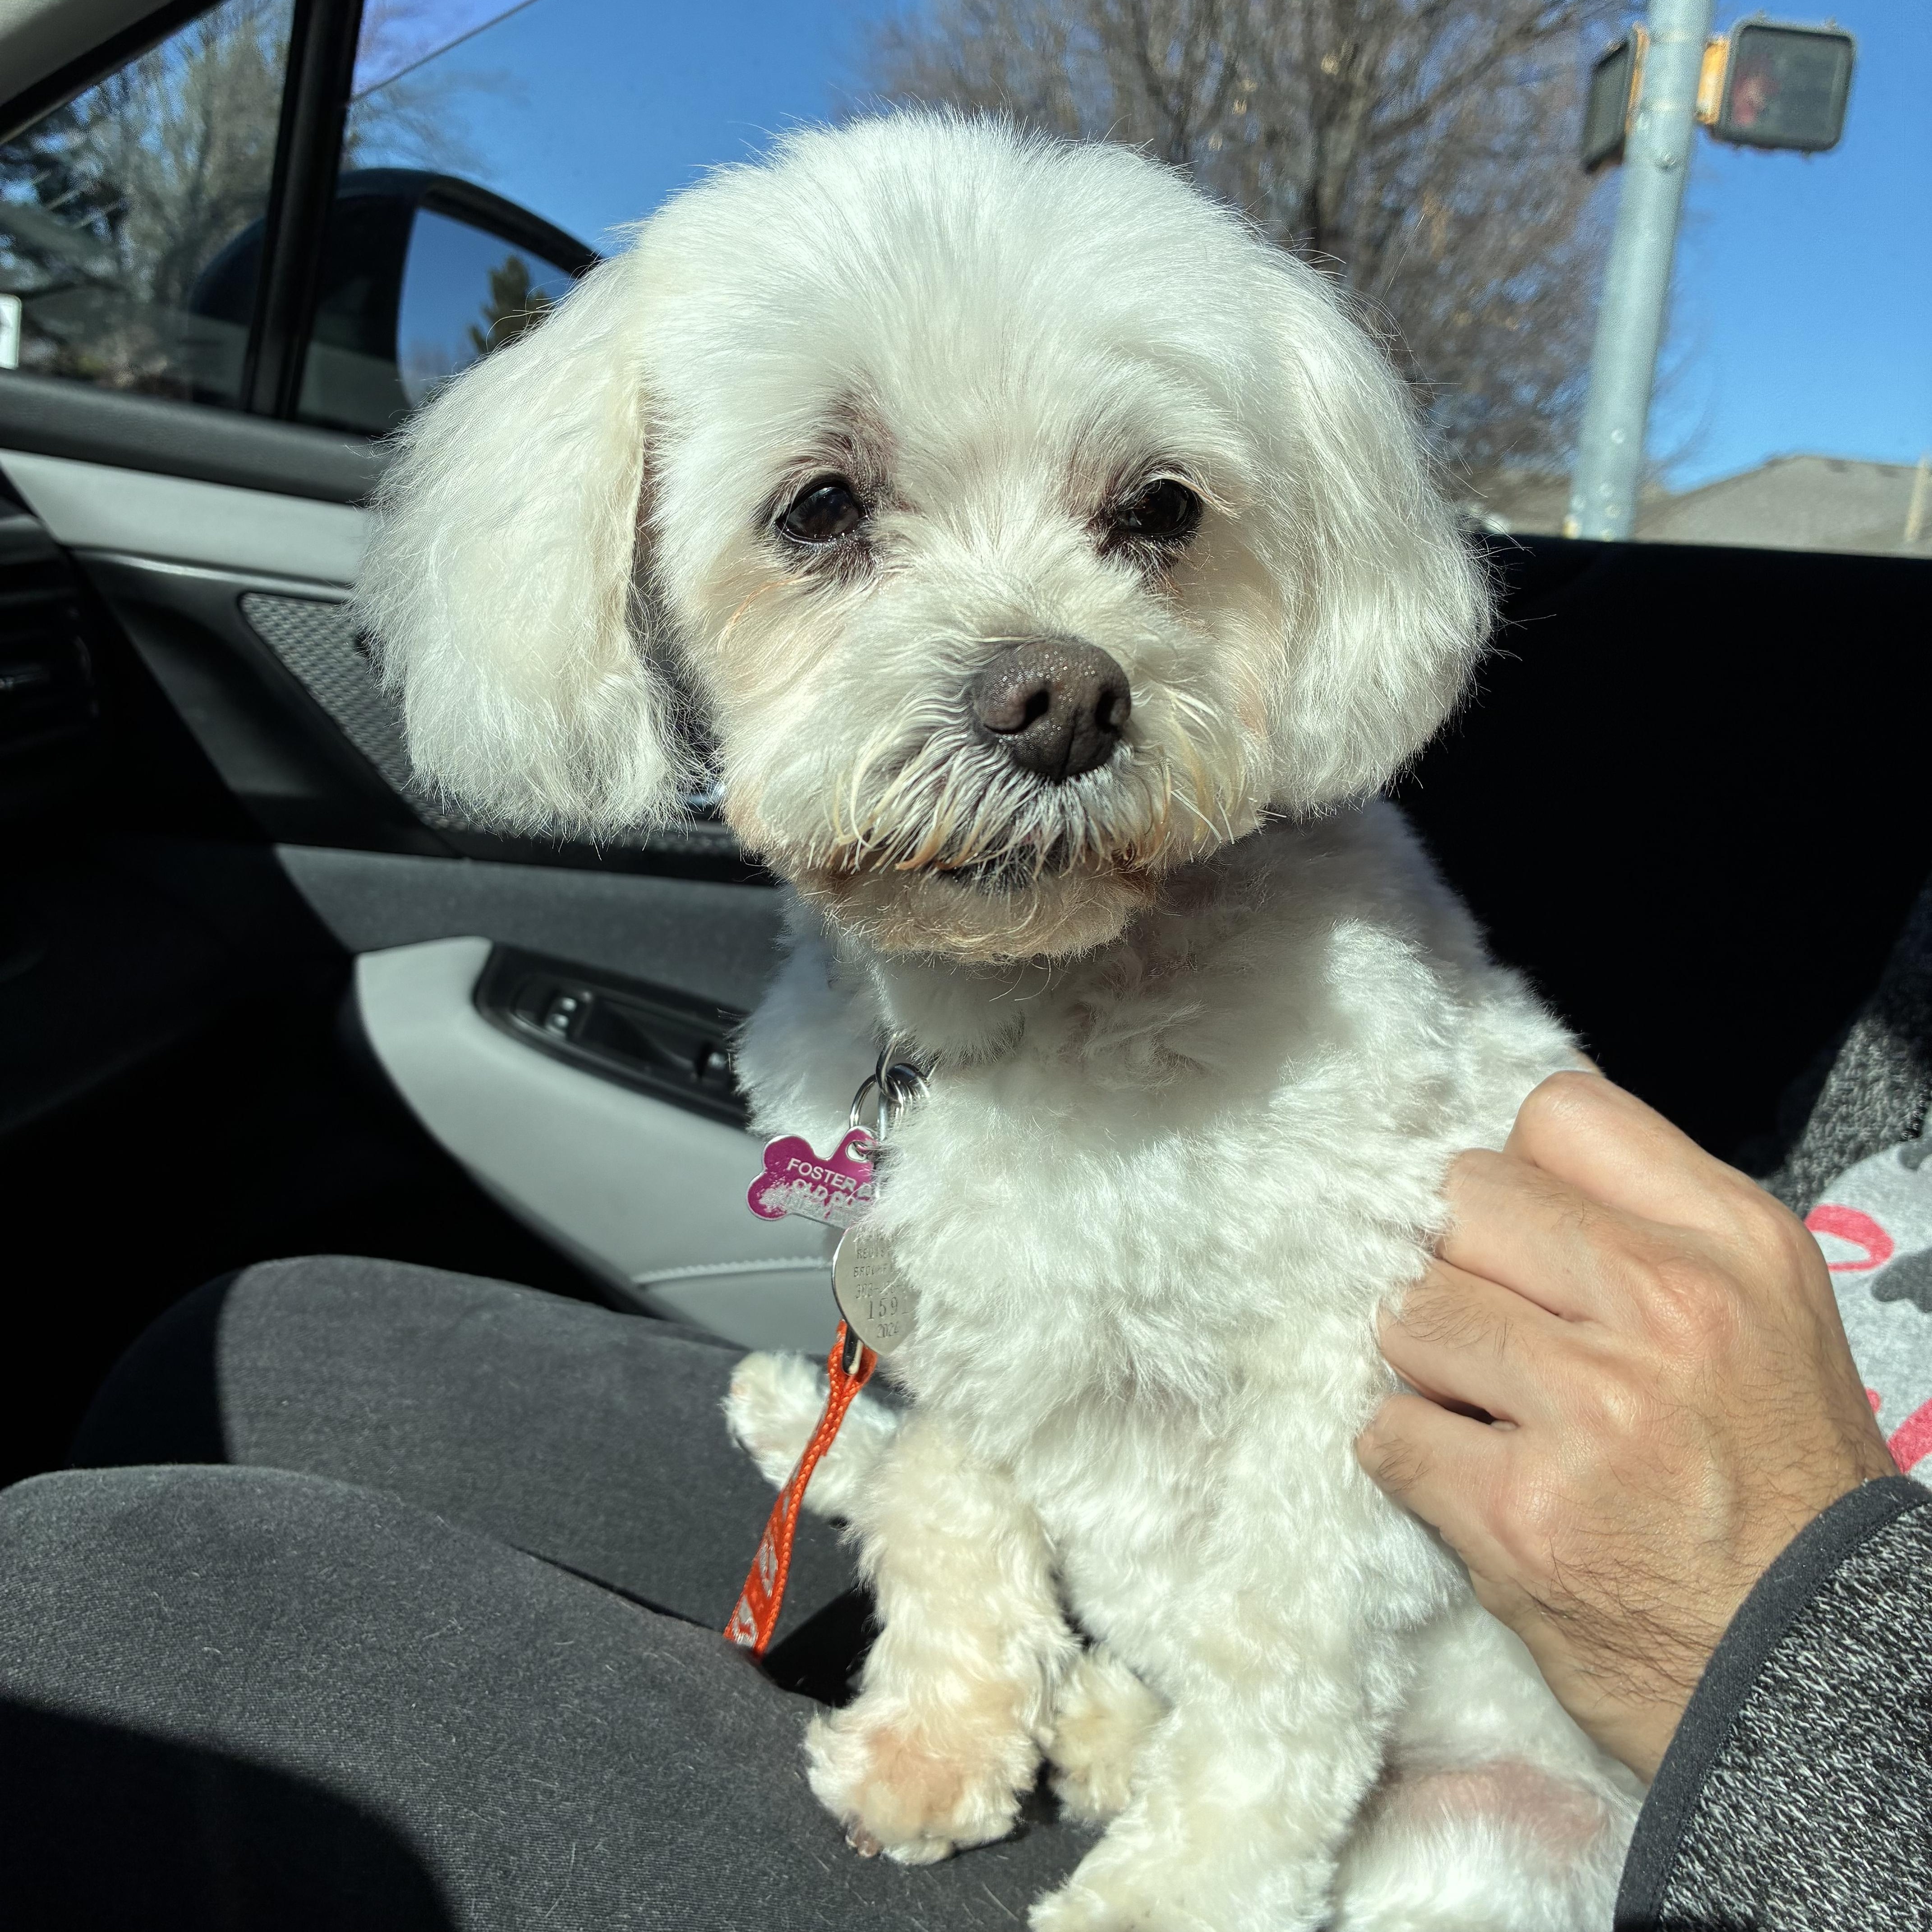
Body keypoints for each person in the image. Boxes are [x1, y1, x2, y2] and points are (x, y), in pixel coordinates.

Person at [2, 880, 1928, 1929]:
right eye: (832, 511)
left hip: (1670, 1804)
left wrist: (1788, 1640)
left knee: (114, 1618)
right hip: (1257, 1569)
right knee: (259, 1353)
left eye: (1149, 519)